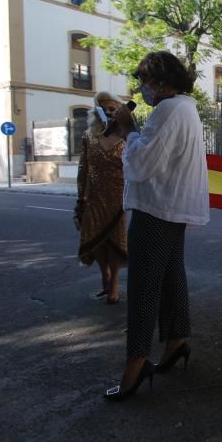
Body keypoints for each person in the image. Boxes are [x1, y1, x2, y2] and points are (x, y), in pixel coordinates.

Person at [102, 51, 210, 401]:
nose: (143, 89)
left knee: (144, 284)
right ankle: (176, 340)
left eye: (146, 81)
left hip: (156, 209)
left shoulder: (168, 110)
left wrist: (128, 130)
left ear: (162, 81)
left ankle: (136, 362)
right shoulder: (186, 107)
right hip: (173, 206)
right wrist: (133, 132)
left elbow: (143, 163)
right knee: (171, 275)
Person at [74, 91, 128, 304]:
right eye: (105, 107)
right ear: (96, 110)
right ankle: (103, 273)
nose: (109, 111)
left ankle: (113, 282)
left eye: (114, 108)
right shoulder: (88, 136)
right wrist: (81, 198)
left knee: (115, 240)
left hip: (117, 196)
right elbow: (83, 168)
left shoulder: (126, 135)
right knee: (96, 240)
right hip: (94, 196)